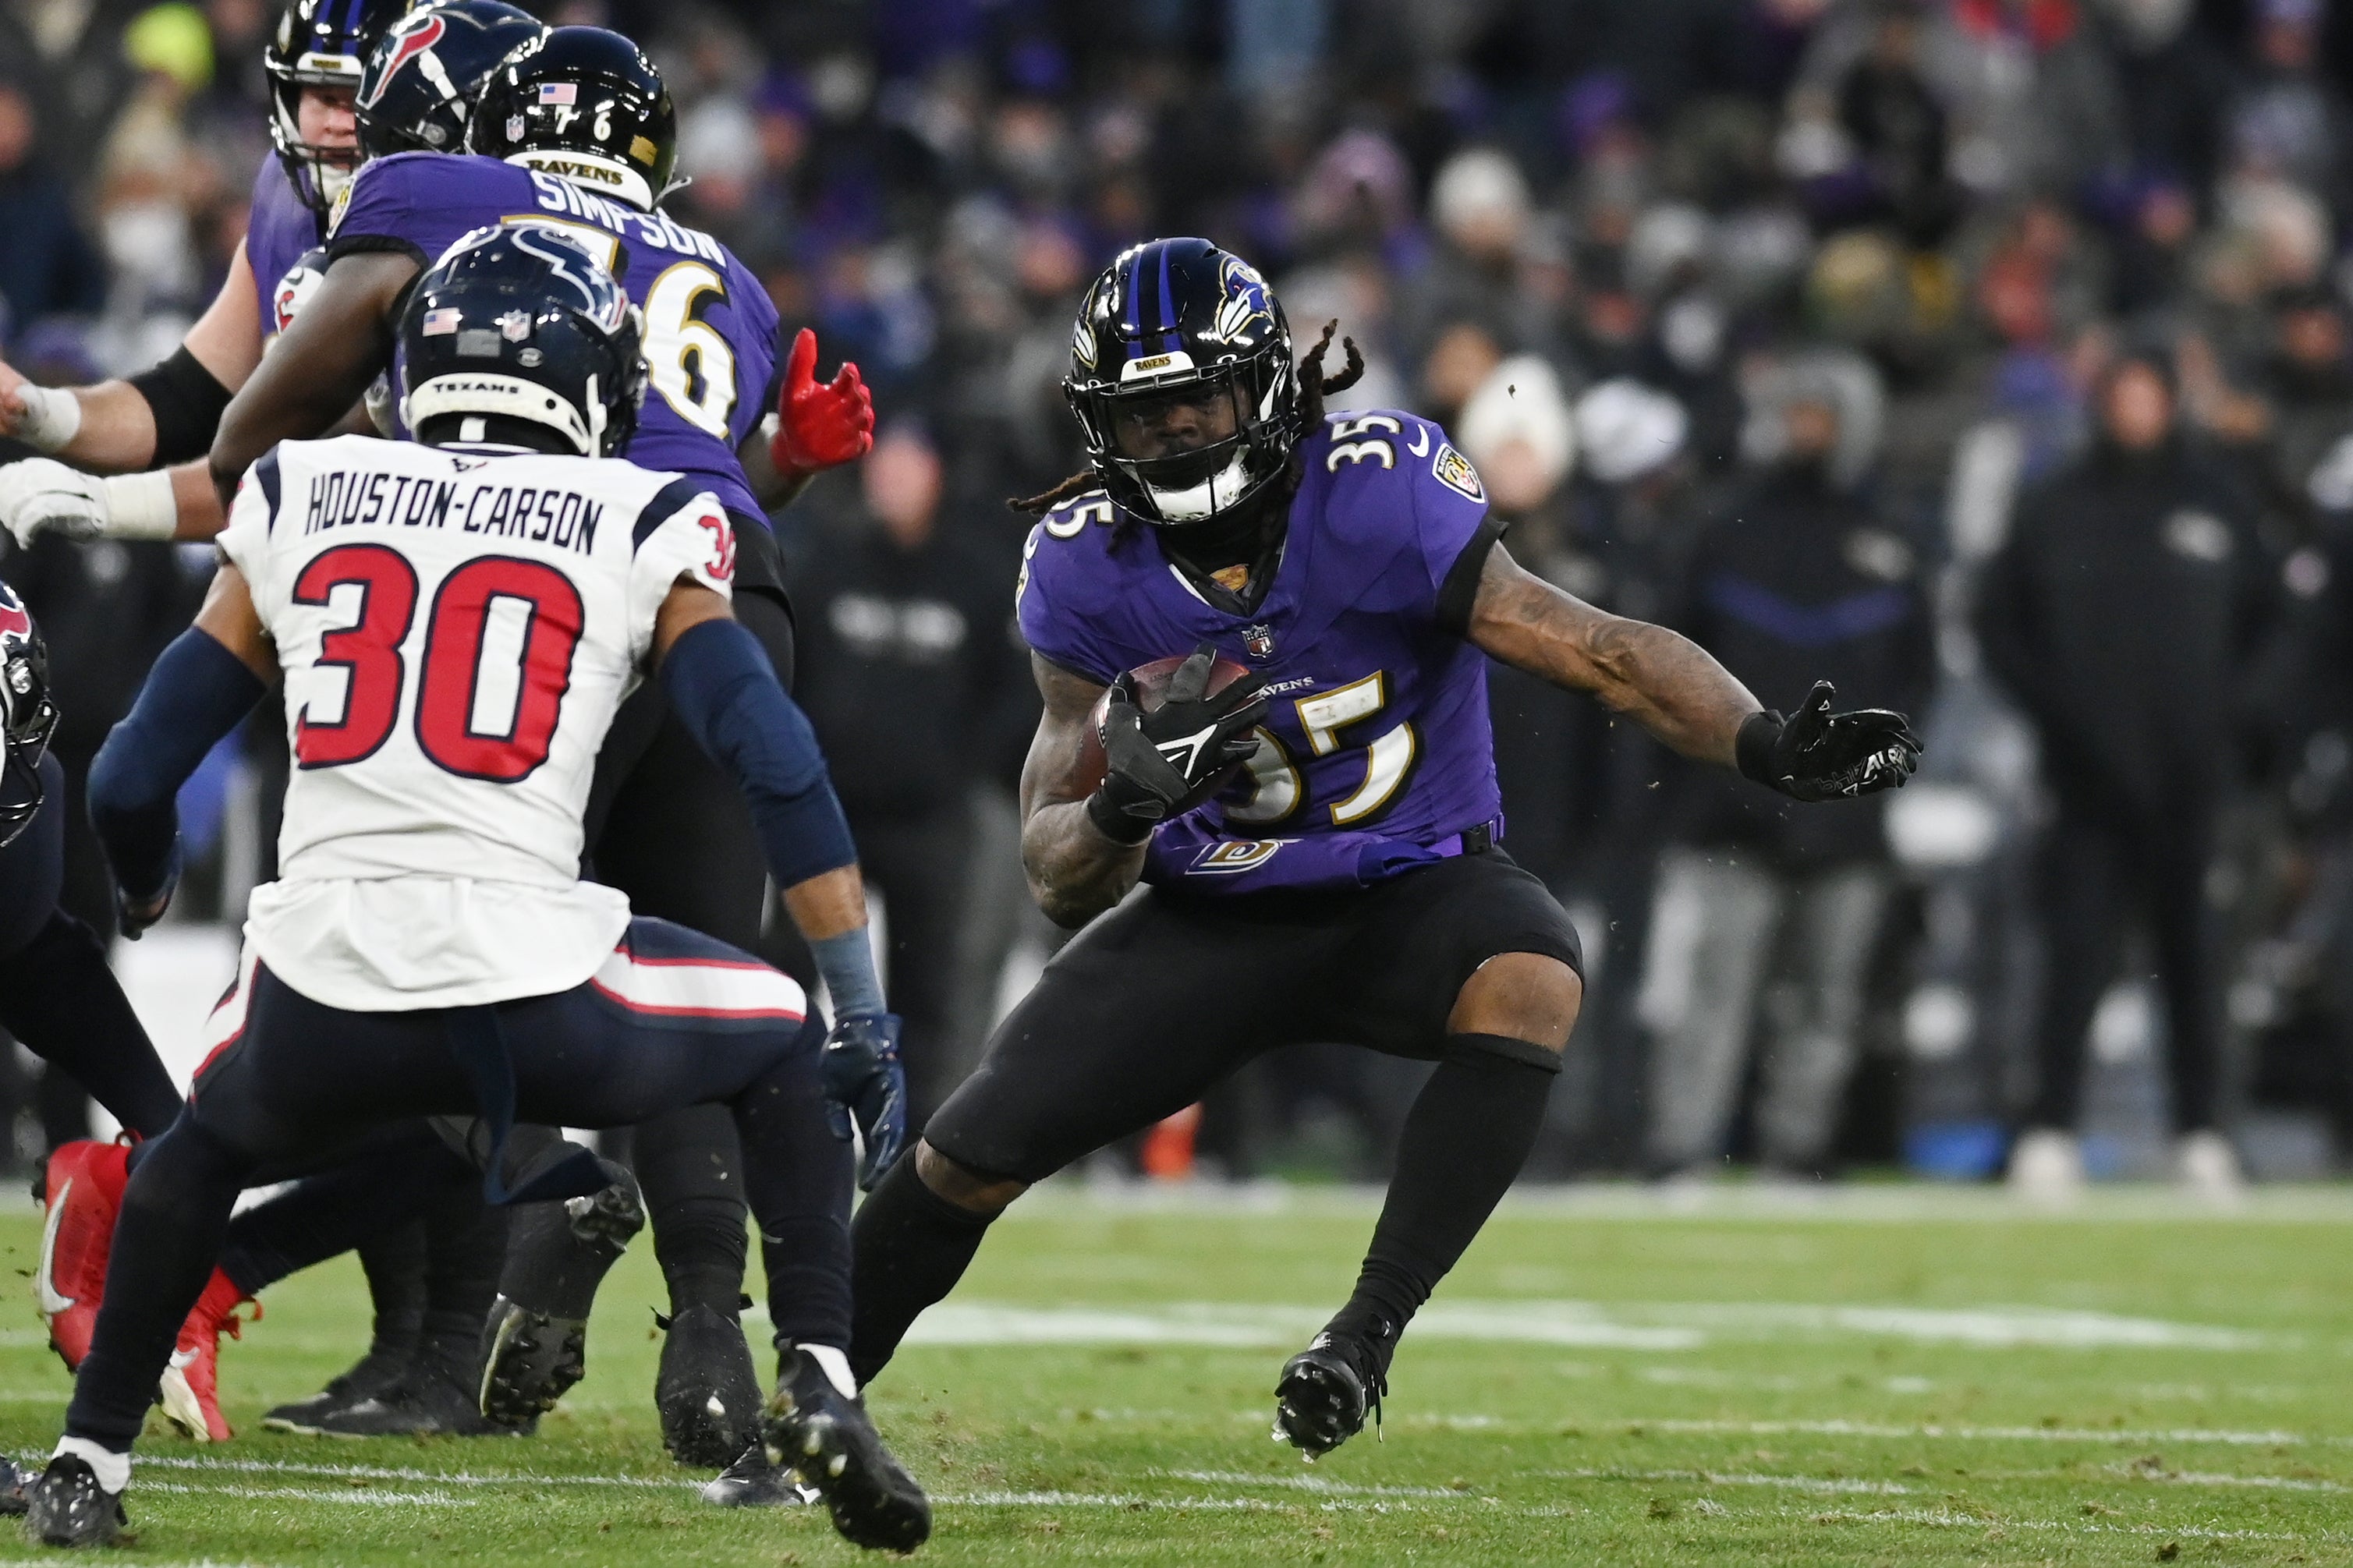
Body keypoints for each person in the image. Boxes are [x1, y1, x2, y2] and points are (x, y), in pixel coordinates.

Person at [842, 238, 1920, 1457]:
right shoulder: (1086, 565)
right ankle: (803, 1391)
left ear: (1267, 386)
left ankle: (1361, 1336)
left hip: (1414, 879)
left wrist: (1762, 741)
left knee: (1532, 971)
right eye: (1142, 415)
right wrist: (1120, 808)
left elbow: (1591, 644)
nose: (1177, 435)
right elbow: (1054, 874)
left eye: (1198, 397)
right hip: (1216, 910)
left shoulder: (1379, 489)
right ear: (1099, 426)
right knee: (965, 1156)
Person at [20, 221, 927, 1555]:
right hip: (540, 989)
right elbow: (774, 763)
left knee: (200, 1145)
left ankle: (88, 1461)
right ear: (596, 385)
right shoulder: (647, 512)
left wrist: (149, 884)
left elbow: (132, 772)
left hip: (318, 992)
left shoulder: (302, 489)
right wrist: (855, 1004)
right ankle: (819, 1382)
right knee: (779, 1037)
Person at [1976, 343, 2276, 1201]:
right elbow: (1999, 625)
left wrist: (2231, 724)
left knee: (2196, 965)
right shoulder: (2055, 504)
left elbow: (2276, 629)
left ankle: (2201, 1131)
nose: (2134, 410)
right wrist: (2061, 722)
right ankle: (2047, 1129)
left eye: (2149, 395)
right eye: (2122, 394)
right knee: (2073, 960)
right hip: (2083, 782)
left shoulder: (2217, 502)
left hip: (2191, 783)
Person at [1642, 355, 1934, 1180]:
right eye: (1794, 413)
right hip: (1731, 806)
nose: (1804, 430)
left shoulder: (1893, 540)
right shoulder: (1723, 528)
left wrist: (1864, 775)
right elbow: (1674, 660)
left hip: (1846, 818)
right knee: (1714, 993)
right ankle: (1681, 1149)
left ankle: (1795, 1151)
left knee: (1824, 1000)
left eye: (1822, 416)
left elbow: (1918, 683)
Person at [788, 422, 1028, 1125]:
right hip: (833, 810)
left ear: (935, 477)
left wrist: (962, 763)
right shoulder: (829, 565)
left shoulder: (973, 576)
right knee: (791, 974)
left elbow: (1014, 688)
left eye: (905, 467)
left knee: (929, 985)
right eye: (881, 468)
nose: (890, 482)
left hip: (929, 815)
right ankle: (788, 1124)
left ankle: (918, 1145)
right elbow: (788, 667)